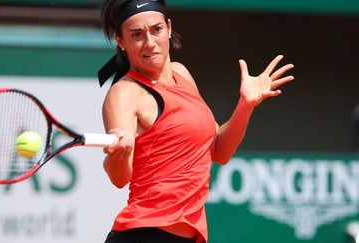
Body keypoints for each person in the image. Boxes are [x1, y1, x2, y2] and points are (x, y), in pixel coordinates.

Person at [97, 0, 294, 242]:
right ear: (120, 40)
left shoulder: (182, 74)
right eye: (136, 34)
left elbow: (219, 151)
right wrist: (119, 153)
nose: (149, 43)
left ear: (168, 28)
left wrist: (245, 105)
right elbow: (119, 178)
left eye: (156, 30)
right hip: (144, 233)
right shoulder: (124, 93)